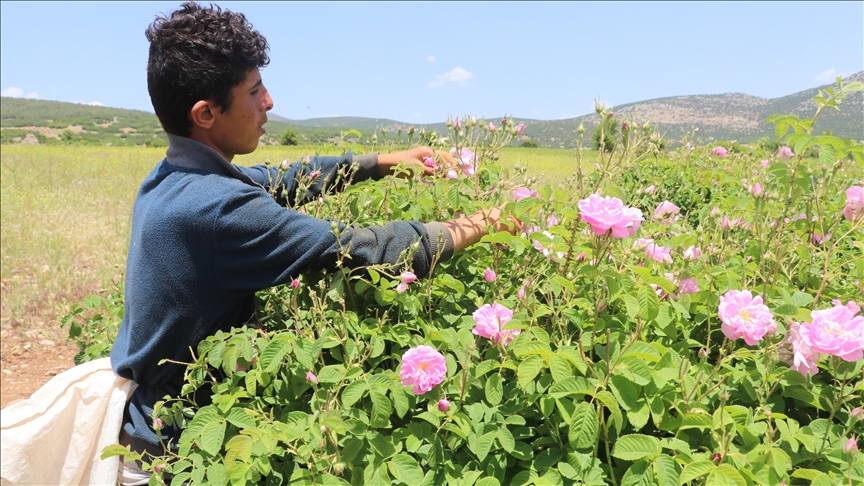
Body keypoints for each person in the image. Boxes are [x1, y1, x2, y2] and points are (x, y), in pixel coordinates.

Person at [109, 2, 517, 483]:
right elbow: (361, 248)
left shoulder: (175, 175)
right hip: (175, 455)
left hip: (147, 425)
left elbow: (281, 177)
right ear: (206, 113)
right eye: (253, 91)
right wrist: (479, 223)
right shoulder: (218, 209)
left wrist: (381, 162)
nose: (269, 101)